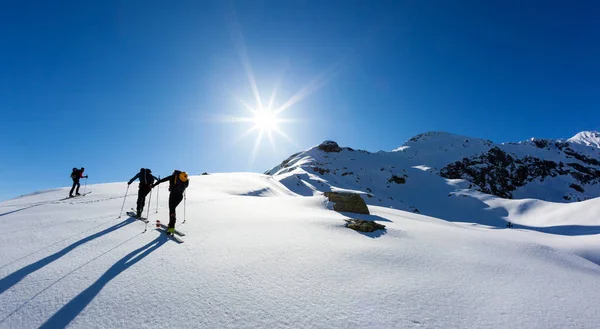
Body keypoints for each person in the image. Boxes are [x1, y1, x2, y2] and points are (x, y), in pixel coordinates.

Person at [152, 170, 189, 235]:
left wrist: (154, 185)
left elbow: (162, 180)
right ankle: (171, 224)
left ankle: (171, 228)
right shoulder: (185, 179)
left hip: (173, 196)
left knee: (172, 211)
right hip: (180, 197)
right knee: (173, 210)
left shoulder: (173, 176)